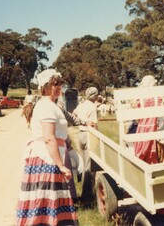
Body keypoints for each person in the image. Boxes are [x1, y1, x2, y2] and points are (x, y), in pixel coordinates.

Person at [16, 69, 78, 225]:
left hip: (51, 159)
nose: (58, 87)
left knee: (50, 205)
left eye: (60, 84)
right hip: (47, 160)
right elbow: (49, 138)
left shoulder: (51, 105)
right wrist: (61, 165)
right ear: (44, 87)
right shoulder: (46, 106)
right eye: (54, 84)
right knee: (43, 205)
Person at [72, 86, 99, 204]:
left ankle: (86, 192)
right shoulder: (92, 107)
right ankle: (87, 196)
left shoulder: (81, 105)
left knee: (84, 165)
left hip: (80, 135)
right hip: (88, 135)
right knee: (89, 167)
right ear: (95, 96)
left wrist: (81, 121)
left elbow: (73, 114)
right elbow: (94, 125)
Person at [134, 75, 164, 164]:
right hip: (153, 126)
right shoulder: (157, 98)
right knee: (151, 143)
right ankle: (152, 160)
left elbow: (137, 117)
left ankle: (141, 157)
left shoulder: (141, 99)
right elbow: (161, 114)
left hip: (142, 127)